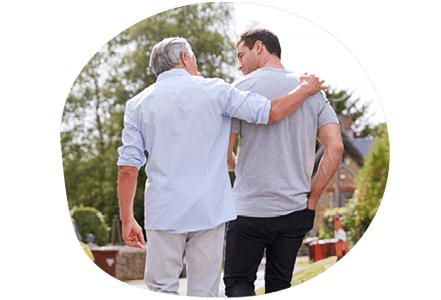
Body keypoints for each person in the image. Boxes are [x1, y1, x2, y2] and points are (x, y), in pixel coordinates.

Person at [116, 37, 327, 297]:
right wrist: (305, 89)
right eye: (193, 58)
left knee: (161, 288)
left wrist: (128, 219)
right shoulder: (216, 90)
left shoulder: (137, 104)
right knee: (205, 291)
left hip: (164, 211)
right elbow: (270, 113)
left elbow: (128, 167)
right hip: (210, 210)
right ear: (185, 58)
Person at [224, 29, 344, 297]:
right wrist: (311, 202)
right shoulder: (311, 90)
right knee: (280, 286)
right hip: (293, 212)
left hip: (249, 210)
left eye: (240, 55)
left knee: (238, 284)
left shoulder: (239, 90)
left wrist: (236, 164)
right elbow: (335, 148)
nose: (239, 64)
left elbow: (224, 153)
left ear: (259, 48)